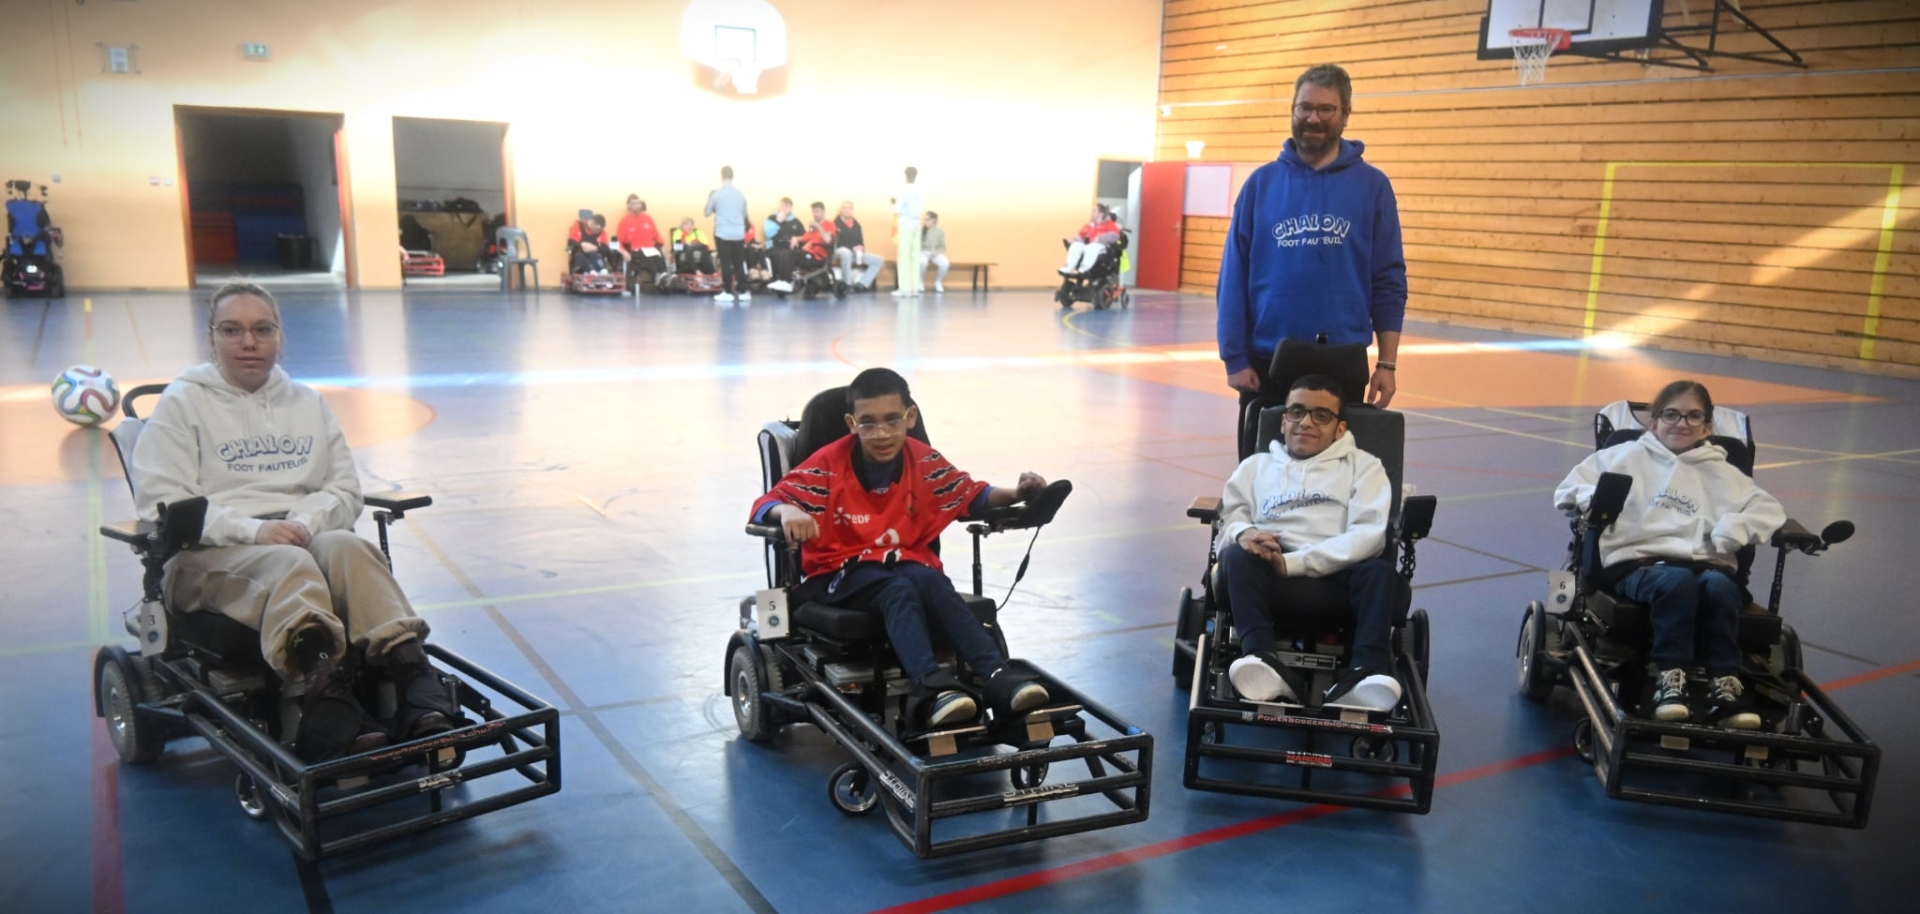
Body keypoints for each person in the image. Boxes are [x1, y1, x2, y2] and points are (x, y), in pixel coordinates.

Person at [130, 283, 460, 763]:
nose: (249, 342)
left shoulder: (307, 402)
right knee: (289, 563)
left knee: (348, 547)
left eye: (262, 329)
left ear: (279, 336)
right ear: (211, 337)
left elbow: (344, 489)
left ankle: (413, 679)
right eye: (232, 330)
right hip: (206, 555)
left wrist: (305, 521)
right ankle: (327, 703)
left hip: (298, 536)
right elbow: (165, 503)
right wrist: (254, 530)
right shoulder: (181, 405)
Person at [750, 368, 1051, 727]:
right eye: (868, 423)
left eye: (892, 420)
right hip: (838, 573)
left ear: (910, 417)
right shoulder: (827, 466)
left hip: (900, 563)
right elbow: (767, 503)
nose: (881, 434)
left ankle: (999, 676)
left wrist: (1016, 493)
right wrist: (788, 512)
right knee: (897, 589)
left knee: (930, 580)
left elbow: (970, 494)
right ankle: (930, 687)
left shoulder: (922, 461)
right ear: (851, 423)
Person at [1554, 380, 1785, 730]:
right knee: (1676, 583)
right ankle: (1670, 679)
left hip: (1706, 564)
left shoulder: (1725, 472)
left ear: (1707, 426)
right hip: (1639, 562)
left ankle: (1725, 685)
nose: (1682, 423)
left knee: (1721, 589)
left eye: (1694, 416)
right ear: (1654, 422)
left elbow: (1768, 510)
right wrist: (1596, 498)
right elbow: (1568, 490)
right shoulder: (1620, 457)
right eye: (1671, 414)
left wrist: (1734, 527)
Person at [1217, 62, 1408, 437]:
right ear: (1293, 109)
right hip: (1267, 362)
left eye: (1325, 109)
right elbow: (1233, 277)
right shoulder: (1260, 185)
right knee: (1262, 468)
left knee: (1333, 471)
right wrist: (1234, 357)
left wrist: (1387, 364)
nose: (1313, 118)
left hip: (1342, 362)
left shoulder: (1373, 187)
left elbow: (1388, 279)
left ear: (1346, 114)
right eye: (1304, 107)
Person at [1215, 375, 1402, 712]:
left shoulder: (1365, 467)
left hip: (1339, 571)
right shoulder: (1254, 467)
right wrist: (1245, 533)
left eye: (1321, 415)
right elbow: (1231, 518)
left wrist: (1294, 563)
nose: (1305, 422)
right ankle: (1261, 661)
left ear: (1340, 428)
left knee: (1380, 573)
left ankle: (1364, 675)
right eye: (1296, 411)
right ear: (1283, 420)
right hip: (1267, 568)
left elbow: (1369, 535)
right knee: (1236, 555)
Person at [703, 164, 751, 302]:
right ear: (733, 176)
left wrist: (712, 202)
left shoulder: (716, 194)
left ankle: (728, 292)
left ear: (722, 176)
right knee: (739, 263)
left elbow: (707, 212)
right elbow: (744, 214)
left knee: (725, 263)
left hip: (722, 233)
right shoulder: (741, 194)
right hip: (738, 233)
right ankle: (743, 292)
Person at [831, 201, 884, 292]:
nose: (847, 210)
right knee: (846, 252)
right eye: (845, 208)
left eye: (849, 208)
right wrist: (852, 247)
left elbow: (860, 242)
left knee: (878, 260)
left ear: (852, 210)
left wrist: (861, 247)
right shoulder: (834, 224)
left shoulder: (857, 225)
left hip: (855, 253)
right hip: (839, 251)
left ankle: (862, 284)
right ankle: (847, 285)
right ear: (841, 210)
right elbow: (836, 242)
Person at [615, 195, 668, 285]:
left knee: (657, 256)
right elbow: (618, 242)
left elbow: (657, 236)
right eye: (634, 204)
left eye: (638, 203)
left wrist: (663, 246)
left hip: (651, 248)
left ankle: (664, 275)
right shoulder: (624, 221)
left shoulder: (648, 218)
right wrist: (624, 252)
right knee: (647, 256)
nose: (637, 206)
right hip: (635, 250)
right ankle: (657, 276)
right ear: (629, 206)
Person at [1059, 204, 1120, 276]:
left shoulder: (1109, 224)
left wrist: (1100, 238)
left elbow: (1115, 236)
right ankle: (1069, 267)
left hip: (1101, 247)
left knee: (1090, 247)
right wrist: (1074, 239)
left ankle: (1084, 270)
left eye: (1094, 211)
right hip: (1088, 245)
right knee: (1075, 246)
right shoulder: (1089, 225)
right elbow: (1081, 236)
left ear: (1100, 214)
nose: (1091, 213)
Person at [891, 167, 924, 297]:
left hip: (905, 225)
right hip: (917, 225)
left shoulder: (904, 190)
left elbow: (897, 209)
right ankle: (914, 288)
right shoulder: (919, 190)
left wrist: (894, 203)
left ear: (905, 176)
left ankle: (904, 289)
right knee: (915, 257)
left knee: (903, 257)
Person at [763, 196, 806, 281]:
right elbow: (768, 234)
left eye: (787, 206)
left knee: (796, 254)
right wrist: (778, 221)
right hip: (775, 246)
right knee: (782, 255)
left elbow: (804, 237)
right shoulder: (772, 218)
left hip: (791, 248)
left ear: (791, 208)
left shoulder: (796, 221)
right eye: (782, 205)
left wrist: (796, 238)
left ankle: (791, 279)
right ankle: (780, 279)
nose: (784, 208)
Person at [920, 211, 950, 293]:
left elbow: (943, 247)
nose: (925, 221)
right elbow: (917, 246)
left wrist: (937, 252)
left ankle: (938, 282)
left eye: (927, 219)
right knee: (922, 262)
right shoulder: (921, 230)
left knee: (945, 263)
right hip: (923, 252)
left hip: (935, 253)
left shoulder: (940, 231)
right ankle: (920, 282)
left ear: (933, 220)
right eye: (924, 219)